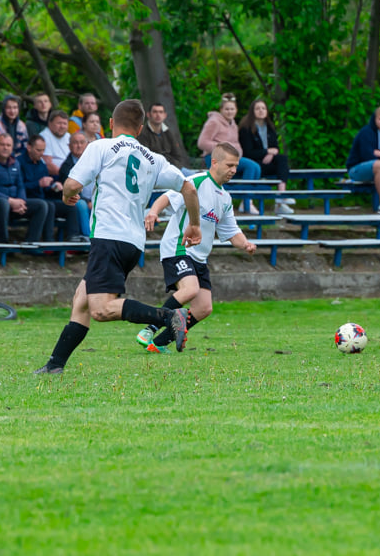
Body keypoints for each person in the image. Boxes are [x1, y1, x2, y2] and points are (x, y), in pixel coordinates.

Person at [34, 99, 202, 374]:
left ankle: (170, 316)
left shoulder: (101, 146)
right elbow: (190, 189)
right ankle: (55, 365)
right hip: (133, 243)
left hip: (108, 237)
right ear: (139, 129)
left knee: (101, 309)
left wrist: (67, 194)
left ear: (111, 124)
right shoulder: (154, 159)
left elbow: (73, 184)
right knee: (82, 299)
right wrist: (194, 224)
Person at [136, 142, 256, 353]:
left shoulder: (225, 198)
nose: (234, 170)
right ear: (214, 162)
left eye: (236, 166)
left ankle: (158, 344)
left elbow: (231, 232)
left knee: (203, 308)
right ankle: (150, 328)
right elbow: (166, 196)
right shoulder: (196, 182)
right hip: (179, 247)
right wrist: (153, 211)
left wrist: (245, 243)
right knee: (190, 290)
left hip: (199, 257)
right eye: (229, 165)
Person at [0, 133, 50, 244]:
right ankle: (3, 243)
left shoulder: (15, 163)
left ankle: (31, 244)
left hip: (12, 204)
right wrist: (10, 201)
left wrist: (21, 202)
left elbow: (20, 186)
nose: (5, 148)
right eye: (2, 144)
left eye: (8, 145)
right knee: (3, 203)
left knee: (41, 205)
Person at [196, 93, 262, 213]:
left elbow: (236, 144)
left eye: (232, 109)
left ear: (236, 110)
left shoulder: (233, 125)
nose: (229, 112)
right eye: (226, 109)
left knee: (256, 168)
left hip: (230, 158)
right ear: (221, 110)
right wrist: (223, 149)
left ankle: (245, 201)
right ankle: (246, 202)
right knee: (250, 167)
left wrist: (237, 154)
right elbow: (202, 142)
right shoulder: (214, 122)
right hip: (214, 157)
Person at [19, 134, 84, 242]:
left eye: (43, 150)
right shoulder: (19, 163)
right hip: (27, 200)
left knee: (70, 205)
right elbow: (19, 187)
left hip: (43, 198)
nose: (41, 153)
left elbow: (46, 187)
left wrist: (54, 187)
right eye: (38, 150)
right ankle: (49, 241)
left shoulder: (41, 164)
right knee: (48, 206)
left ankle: (73, 237)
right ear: (29, 147)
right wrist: (38, 184)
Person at [238, 99, 294, 215]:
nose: (261, 111)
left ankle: (281, 198)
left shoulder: (270, 127)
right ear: (252, 111)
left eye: (263, 108)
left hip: (268, 162)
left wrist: (270, 153)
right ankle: (247, 202)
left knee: (282, 159)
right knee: (255, 167)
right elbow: (248, 152)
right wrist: (266, 151)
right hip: (254, 163)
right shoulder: (246, 129)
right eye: (257, 108)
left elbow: (276, 148)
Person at [57, 131, 91, 238]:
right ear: (69, 146)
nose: (79, 145)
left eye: (82, 142)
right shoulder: (66, 167)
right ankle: (88, 237)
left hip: (94, 197)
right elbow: (71, 192)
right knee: (81, 204)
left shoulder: (94, 161)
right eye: (75, 143)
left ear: (87, 144)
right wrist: (88, 201)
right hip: (77, 200)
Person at [137, 102, 186, 169]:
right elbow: (144, 158)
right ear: (148, 115)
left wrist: (175, 168)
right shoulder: (143, 133)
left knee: (194, 176)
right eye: (155, 112)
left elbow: (177, 155)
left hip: (173, 168)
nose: (158, 115)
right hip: (154, 171)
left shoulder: (168, 132)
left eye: (161, 112)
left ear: (165, 115)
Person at [41, 110, 71, 176]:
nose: (62, 126)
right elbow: (48, 164)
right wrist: (66, 177)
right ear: (50, 123)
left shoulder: (68, 136)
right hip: (56, 176)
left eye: (65, 123)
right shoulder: (44, 137)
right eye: (59, 123)